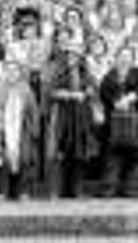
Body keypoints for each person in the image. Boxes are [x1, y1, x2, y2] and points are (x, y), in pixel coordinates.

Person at [46, 40, 95, 199]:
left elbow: (92, 89)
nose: (73, 57)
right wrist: (71, 95)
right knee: (60, 153)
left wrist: (88, 91)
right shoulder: (58, 70)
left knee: (79, 153)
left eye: (76, 54)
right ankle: (56, 190)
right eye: (70, 54)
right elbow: (51, 92)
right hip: (62, 115)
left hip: (80, 117)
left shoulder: (84, 72)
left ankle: (77, 190)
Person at [100, 46, 138, 197]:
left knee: (134, 156)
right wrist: (115, 102)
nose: (124, 59)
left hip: (135, 120)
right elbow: (103, 92)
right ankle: (110, 188)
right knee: (112, 157)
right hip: (114, 122)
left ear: (132, 59)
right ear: (117, 58)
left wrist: (131, 97)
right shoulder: (110, 75)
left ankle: (131, 189)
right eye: (122, 56)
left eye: (128, 56)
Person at [0, 60, 39, 200]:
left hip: (22, 129)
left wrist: (34, 129)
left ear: (19, 73)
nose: (12, 73)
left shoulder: (26, 89)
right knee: (4, 161)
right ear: (5, 73)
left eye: (15, 70)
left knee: (24, 160)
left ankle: (22, 191)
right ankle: (3, 191)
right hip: (3, 129)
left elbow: (33, 111)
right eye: (9, 70)